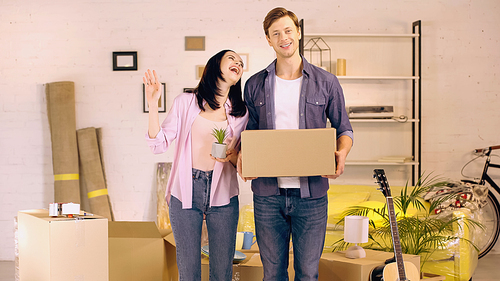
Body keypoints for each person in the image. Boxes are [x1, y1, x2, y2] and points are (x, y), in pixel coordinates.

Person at [237, 7, 353, 281]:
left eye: (288, 30)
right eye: (275, 33)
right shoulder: (255, 84)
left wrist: (342, 153)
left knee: (308, 275)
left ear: (298, 32)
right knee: (273, 275)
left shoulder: (326, 82)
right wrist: (243, 156)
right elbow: (249, 132)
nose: (283, 37)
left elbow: (344, 128)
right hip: (267, 195)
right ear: (268, 39)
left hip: (311, 195)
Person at [145, 50, 248, 281]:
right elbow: (158, 145)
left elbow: (243, 161)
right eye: (232, 58)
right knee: (189, 271)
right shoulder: (186, 102)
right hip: (186, 190)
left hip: (223, 193)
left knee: (222, 272)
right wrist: (153, 105)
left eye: (241, 63)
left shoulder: (241, 114)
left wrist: (231, 156)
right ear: (215, 65)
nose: (238, 64)